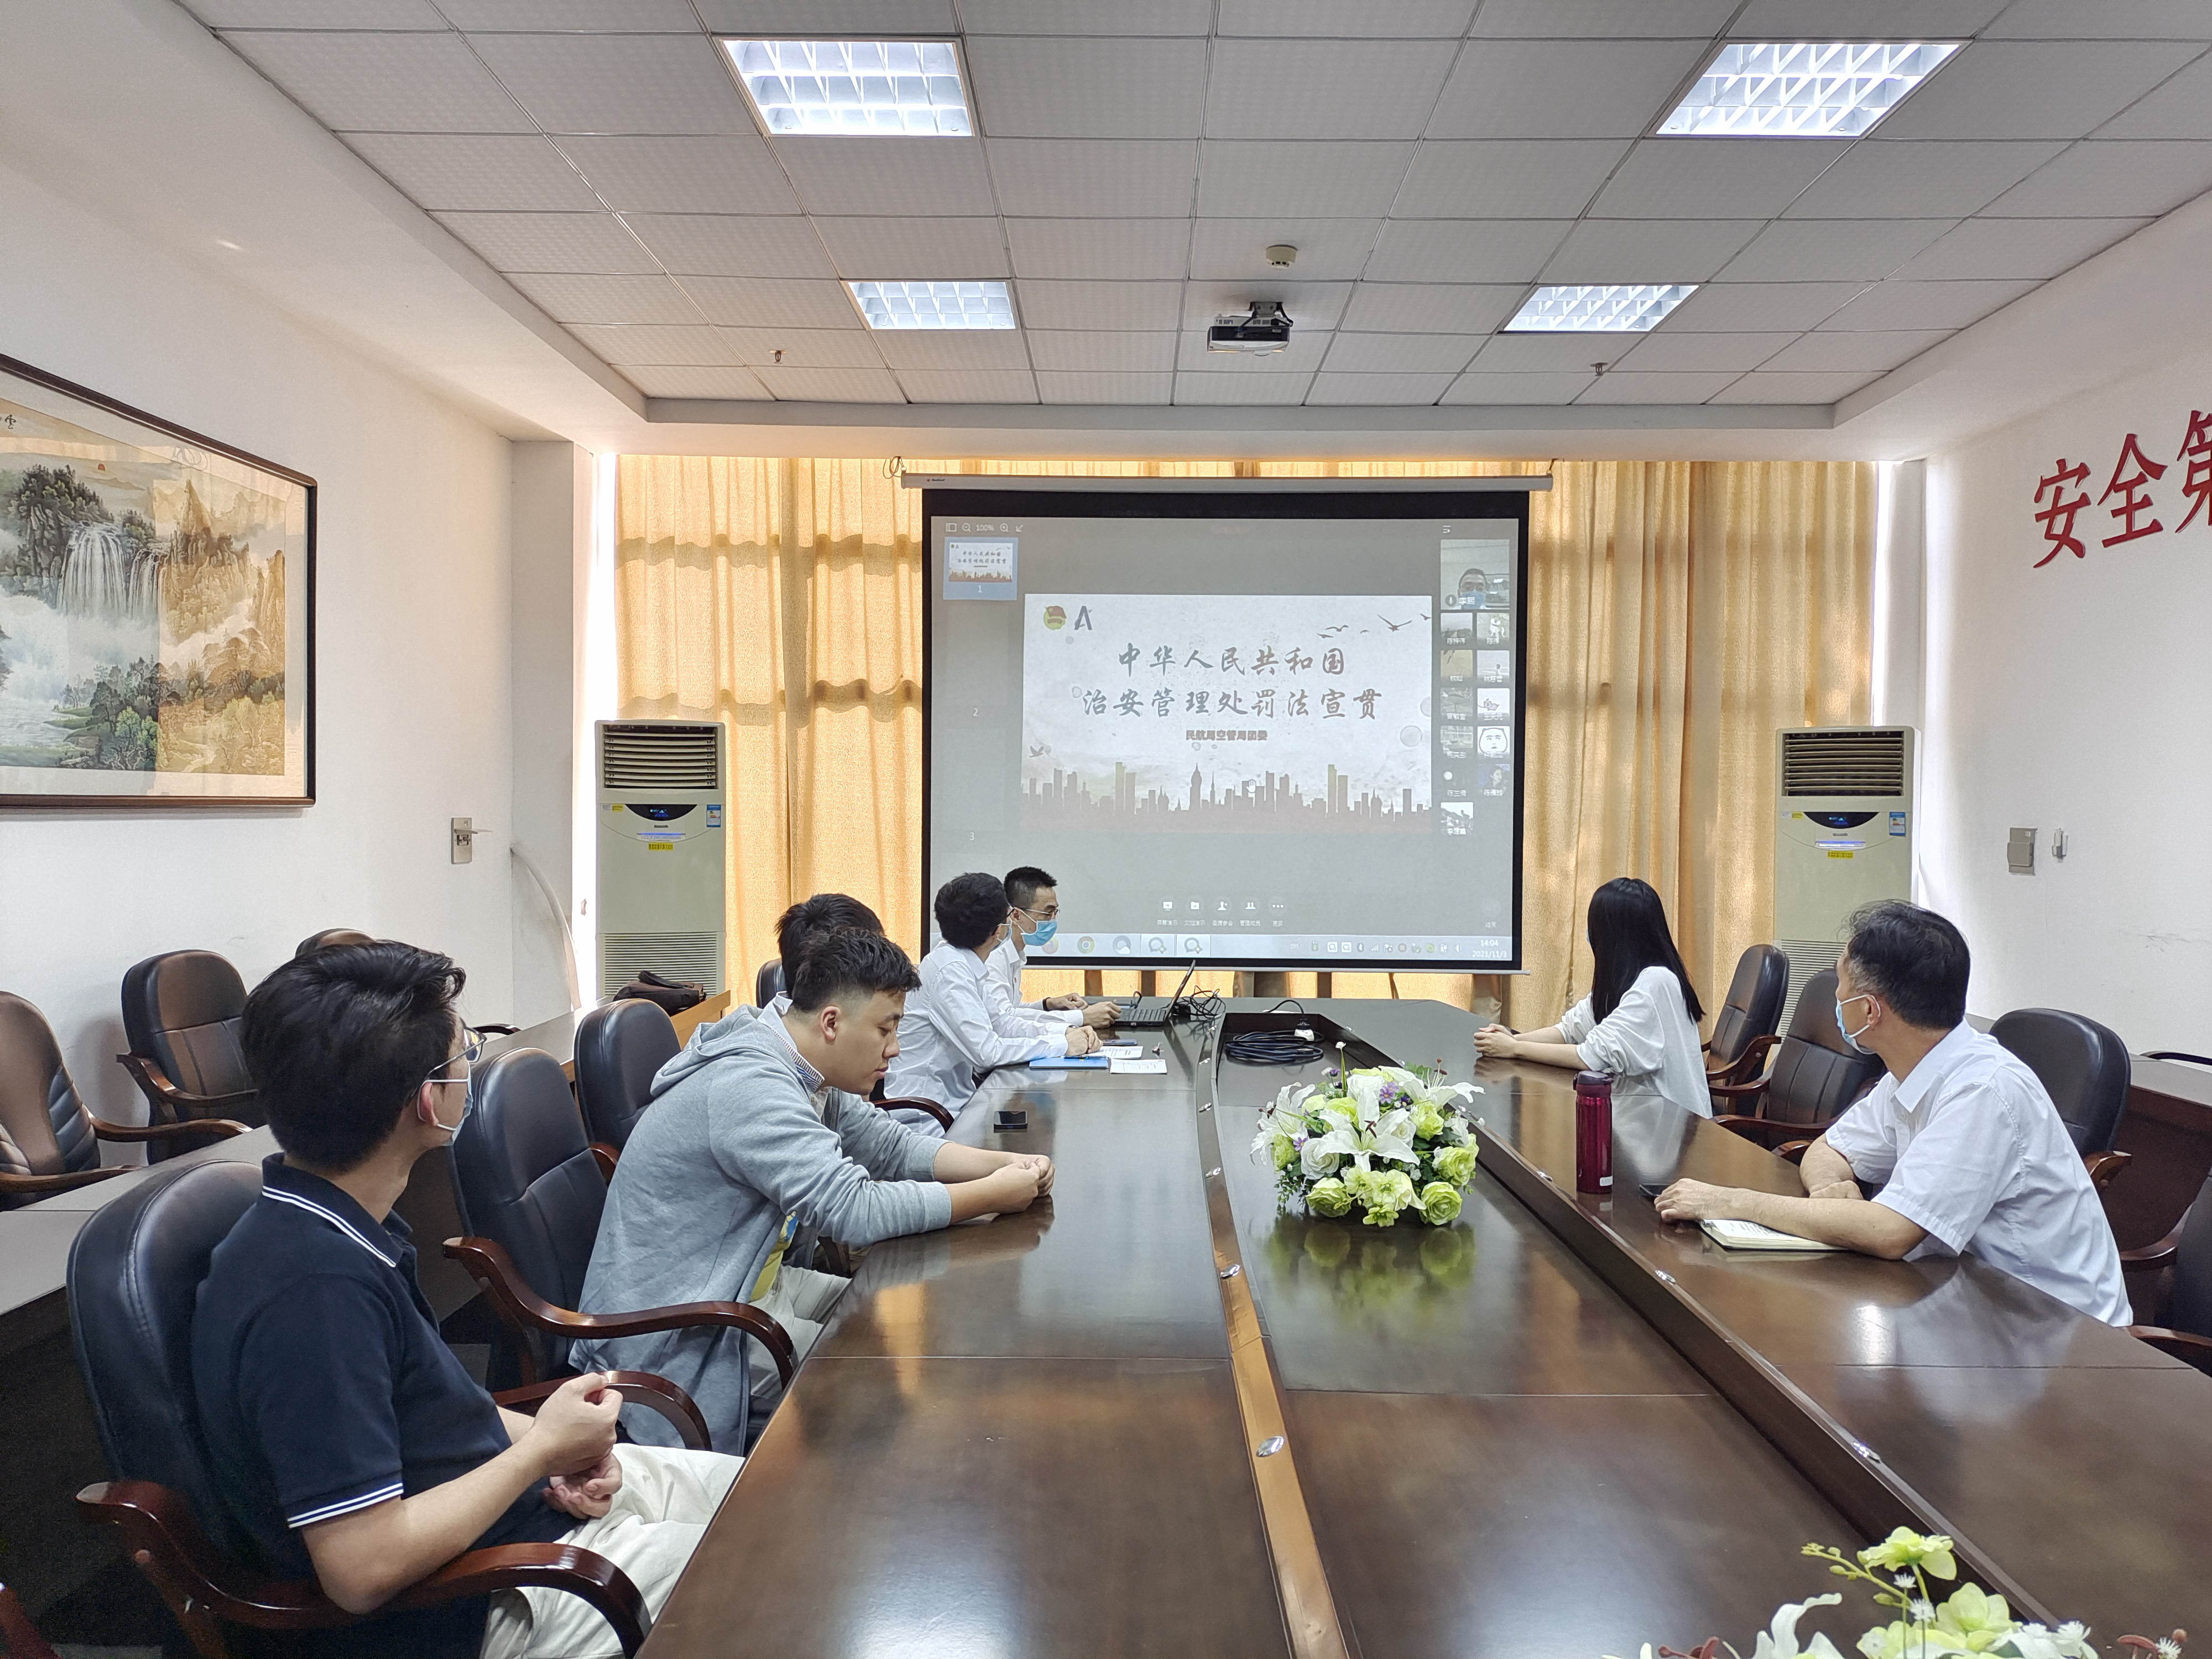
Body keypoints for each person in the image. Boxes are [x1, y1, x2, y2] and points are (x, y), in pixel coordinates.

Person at [195, 941, 740, 1659]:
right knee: (759, 1565)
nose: (470, 1066)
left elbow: (438, 1412)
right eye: (466, 1052)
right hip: (473, 1606)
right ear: (429, 1099)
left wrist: (559, 1456)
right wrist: (539, 1451)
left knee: (770, 1493)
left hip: (521, 1521)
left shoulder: (342, 1221)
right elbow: (360, 1570)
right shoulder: (314, 1293)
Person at [575, 927, 1053, 1451]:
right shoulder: (752, 1087)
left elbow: (889, 1148)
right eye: (886, 1029)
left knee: (900, 1315)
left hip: (752, 1285)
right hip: (684, 1328)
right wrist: (994, 1196)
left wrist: (1005, 1163)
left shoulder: (800, 1064)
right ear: (832, 1022)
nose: (894, 1049)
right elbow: (855, 1210)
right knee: (871, 1381)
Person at [1656, 902, 2130, 1328]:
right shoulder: (1915, 1069)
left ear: (1868, 1011)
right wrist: (1828, 1190)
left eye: (1840, 988)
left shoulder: (1982, 1088)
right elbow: (1830, 1148)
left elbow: (1891, 1232)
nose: (1835, 999)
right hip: (1969, 1301)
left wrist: (1729, 1202)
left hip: (2056, 1332)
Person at [1473, 877, 1710, 1119]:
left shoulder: (1657, 981)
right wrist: (1512, 1038)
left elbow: (1590, 1057)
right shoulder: (1625, 979)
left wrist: (1515, 1048)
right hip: (1642, 1118)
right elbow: (1568, 1030)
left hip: (1674, 1128)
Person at [886, 872, 1102, 1112]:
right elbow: (987, 1053)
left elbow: (1001, 1023)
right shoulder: (950, 971)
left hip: (959, 1102)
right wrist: (1061, 1044)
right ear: (997, 930)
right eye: (1009, 916)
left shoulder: (965, 962)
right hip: (931, 1115)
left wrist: (1065, 1031)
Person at [991, 865, 1118, 1038]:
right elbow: (1003, 1022)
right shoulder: (994, 957)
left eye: (1055, 913)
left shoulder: (1015, 953)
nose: (1052, 921)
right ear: (1016, 915)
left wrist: (1048, 1005)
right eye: (1047, 914)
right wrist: (1081, 1018)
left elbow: (1011, 1011)